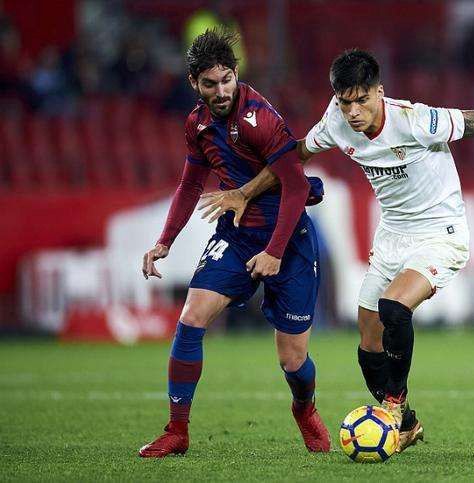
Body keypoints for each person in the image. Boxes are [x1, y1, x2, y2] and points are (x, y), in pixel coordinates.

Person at [197, 49, 474, 453]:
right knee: (368, 343)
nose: (353, 112)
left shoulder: (416, 120)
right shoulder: (336, 122)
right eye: (345, 102)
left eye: (362, 100)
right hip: (392, 236)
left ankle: (393, 406)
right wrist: (245, 192)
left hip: (439, 232)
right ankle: (407, 424)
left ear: (379, 92)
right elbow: (294, 155)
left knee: (394, 307)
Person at [138, 29, 330, 458]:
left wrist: (274, 252)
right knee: (191, 317)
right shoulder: (197, 124)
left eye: (227, 80)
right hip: (237, 236)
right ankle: (177, 430)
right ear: (194, 83)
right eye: (211, 83)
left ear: (236, 73)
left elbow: (297, 187)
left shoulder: (260, 119)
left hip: (288, 239)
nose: (221, 91)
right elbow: (190, 184)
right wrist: (165, 241)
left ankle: (304, 408)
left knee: (293, 360)